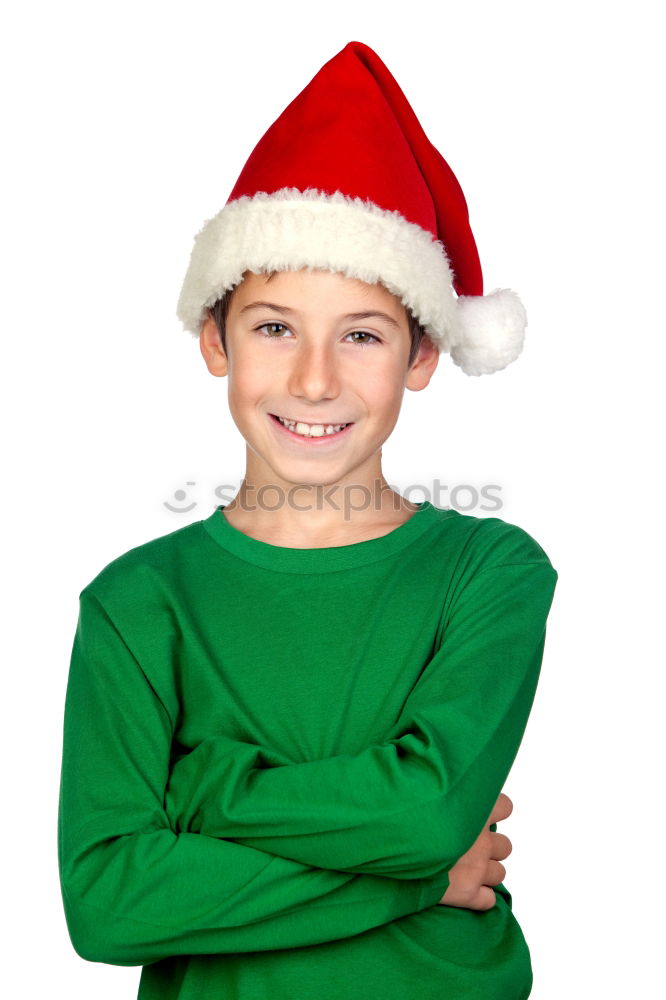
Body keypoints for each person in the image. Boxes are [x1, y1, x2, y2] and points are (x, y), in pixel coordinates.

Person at [57, 40, 558, 1000]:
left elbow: (422, 813)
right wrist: (419, 878)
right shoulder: (138, 603)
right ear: (216, 341)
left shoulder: (490, 571)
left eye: (361, 335)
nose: (315, 380)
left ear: (421, 358)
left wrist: (205, 797)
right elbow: (109, 903)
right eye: (275, 327)